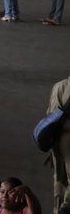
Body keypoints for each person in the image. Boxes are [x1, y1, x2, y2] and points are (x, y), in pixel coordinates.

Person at [46, 75, 70, 214]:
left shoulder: (58, 86)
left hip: (56, 137)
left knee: (59, 178)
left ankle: (58, 208)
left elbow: (49, 112)